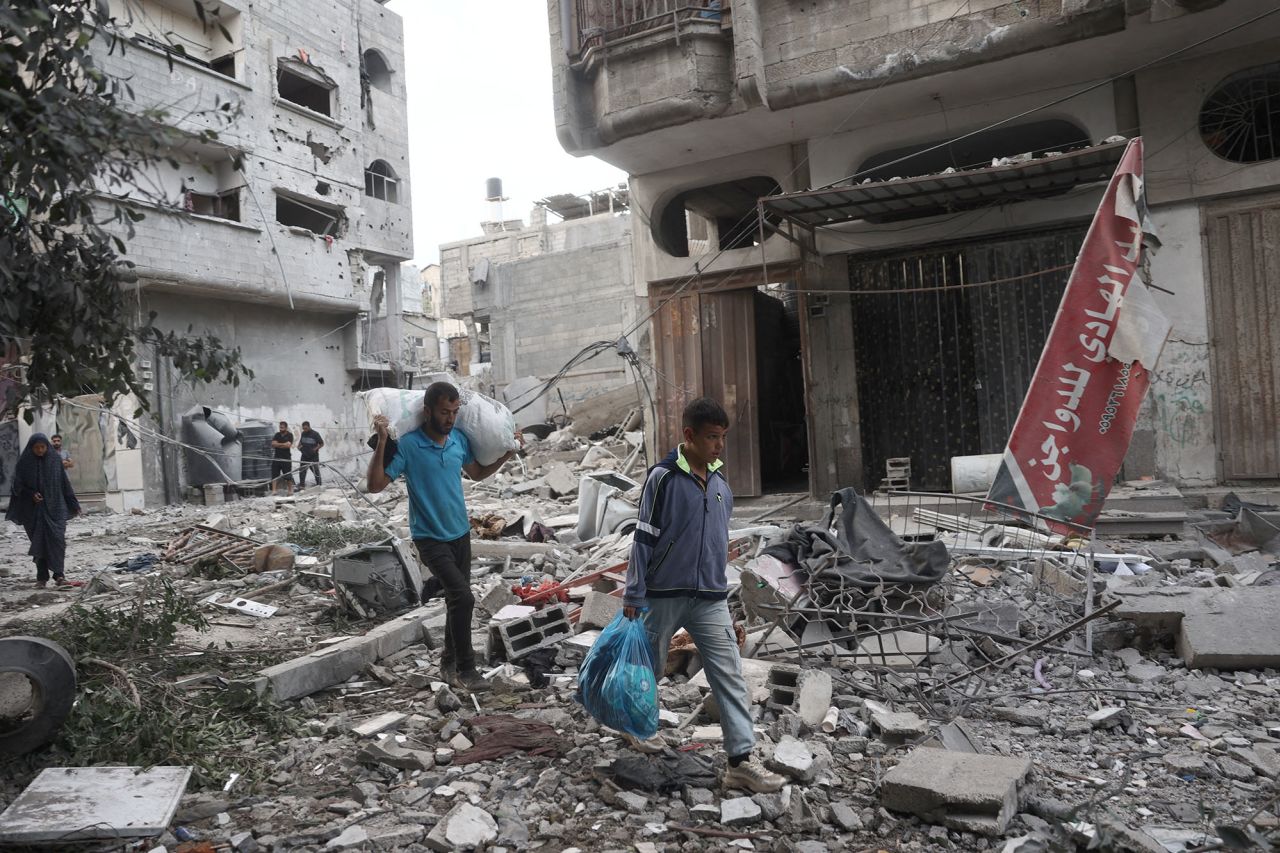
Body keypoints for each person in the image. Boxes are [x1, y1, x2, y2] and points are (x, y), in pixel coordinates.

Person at [621, 397, 785, 794]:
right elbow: (644, 536)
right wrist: (634, 590)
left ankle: (740, 761)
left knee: (729, 673)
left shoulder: (720, 486)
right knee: (649, 667)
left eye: (723, 438)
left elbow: (716, 539)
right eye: (712, 437)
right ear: (689, 435)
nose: (718, 446)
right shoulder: (662, 478)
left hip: (710, 597)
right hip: (662, 594)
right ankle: (639, 727)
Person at [366, 382, 520, 693]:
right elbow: (375, 485)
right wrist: (383, 441)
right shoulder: (409, 445)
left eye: (454, 412)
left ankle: (448, 665)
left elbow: (476, 473)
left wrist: (507, 453)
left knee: (455, 600)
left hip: (460, 534)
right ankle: (466, 668)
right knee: (463, 596)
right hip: (429, 537)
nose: (449, 418)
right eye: (444, 412)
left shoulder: (459, 440)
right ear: (428, 411)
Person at [5, 433, 82, 588]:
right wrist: (31, 493)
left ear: (47, 447)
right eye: (36, 448)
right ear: (31, 448)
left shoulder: (54, 461)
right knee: (39, 542)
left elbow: (64, 483)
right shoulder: (24, 462)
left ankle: (59, 576)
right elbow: (17, 486)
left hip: (56, 508)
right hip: (32, 511)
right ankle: (42, 577)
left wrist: (74, 504)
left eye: (42, 447)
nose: (40, 450)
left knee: (58, 541)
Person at [296, 421, 325, 489]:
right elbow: (300, 443)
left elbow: (322, 444)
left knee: (315, 471)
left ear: (309, 426)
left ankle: (319, 485)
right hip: (304, 456)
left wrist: (315, 449)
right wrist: (299, 447)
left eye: (306, 428)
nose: (304, 430)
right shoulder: (303, 433)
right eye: (303, 428)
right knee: (302, 471)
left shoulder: (315, 434)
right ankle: (302, 485)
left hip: (313, 456)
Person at [270, 421, 294, 495]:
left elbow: (288, 446)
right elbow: (273, 444)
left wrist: (278, 444)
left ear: (286, 428)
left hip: (286, 458)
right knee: (274, 474)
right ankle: (274, 491)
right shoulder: (277, 434)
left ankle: (290, 491)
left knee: (288, 475)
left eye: (282, 427)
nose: (281, 428)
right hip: (277, 458)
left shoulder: (290, 435)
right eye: (280, 427)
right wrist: (283, 444)